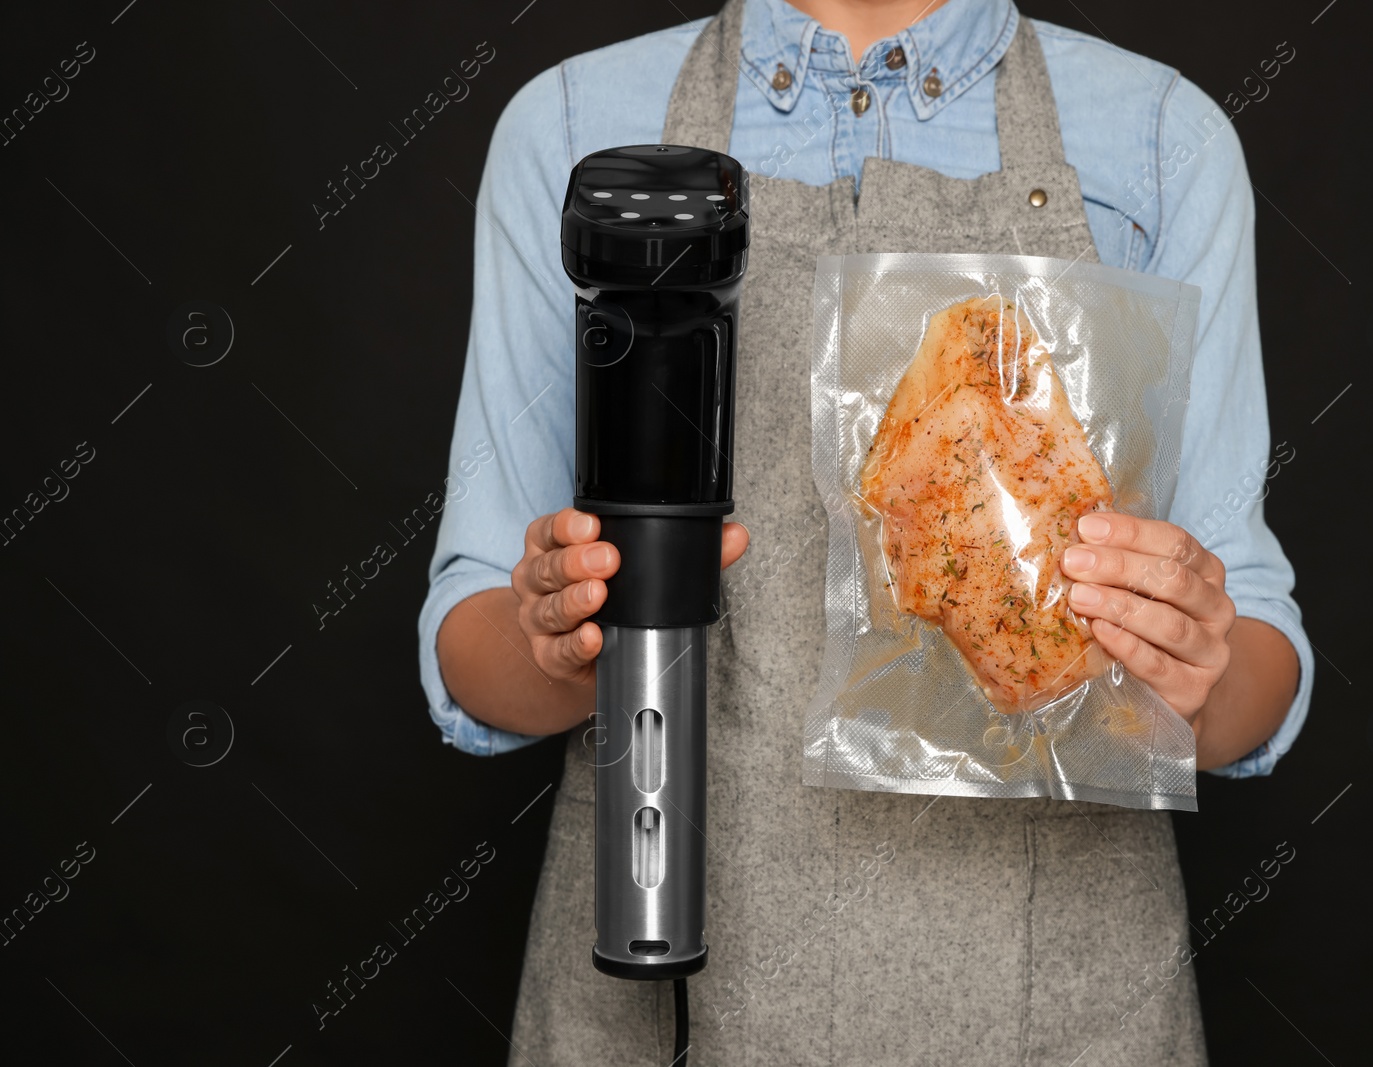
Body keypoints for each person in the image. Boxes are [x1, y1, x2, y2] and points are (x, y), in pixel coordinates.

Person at [418, 0, 1313, 1061]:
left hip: (1058, 1002)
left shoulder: (1161, 141)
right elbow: (471, 647)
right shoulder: (571, 129)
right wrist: (564, 640)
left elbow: (1252, 659)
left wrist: (1195, 656)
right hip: (662, 976)